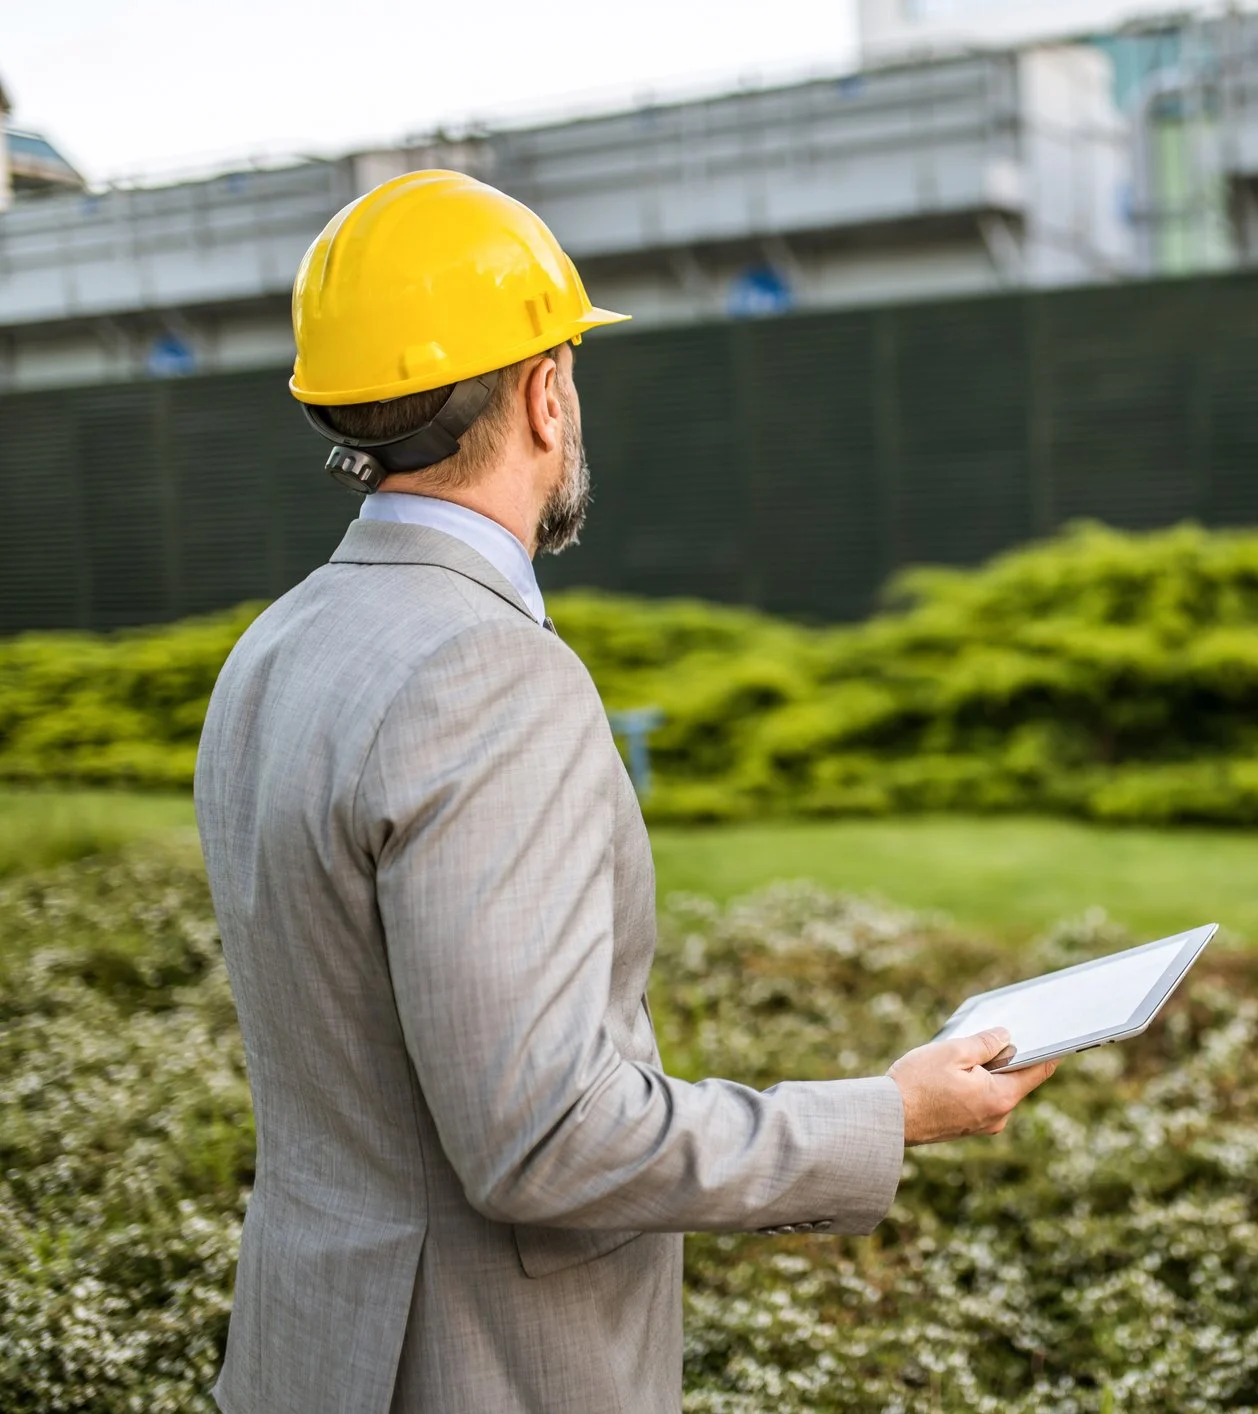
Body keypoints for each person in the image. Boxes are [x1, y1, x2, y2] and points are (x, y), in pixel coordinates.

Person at [193, 169, 1057, 1414]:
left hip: (305, 1357)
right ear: (546, 393)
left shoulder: (277, 643)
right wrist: (890, 1114)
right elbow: (544, 1136)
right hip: (479, 1370)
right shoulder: (485, 668)